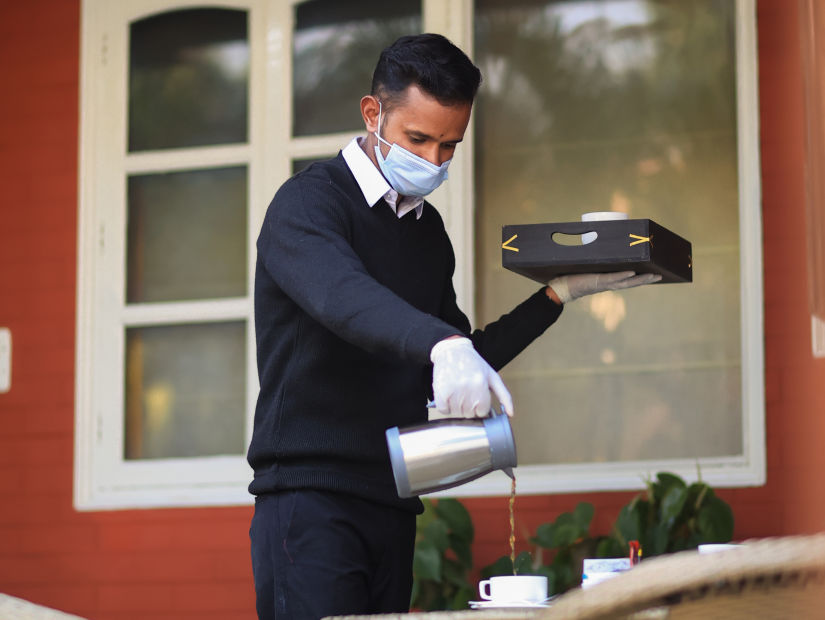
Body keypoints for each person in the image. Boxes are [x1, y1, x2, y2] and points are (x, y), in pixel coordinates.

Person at [247, 33, 659, 620]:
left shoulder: (426, 232)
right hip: (309, 500)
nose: (435, 161)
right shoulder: (307, 205)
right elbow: (344, 298)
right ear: (373, 113)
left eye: (450, 145)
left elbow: (464, 351)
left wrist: (558, 295)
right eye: (418, 139)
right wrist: (442, 346)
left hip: (393, 498)